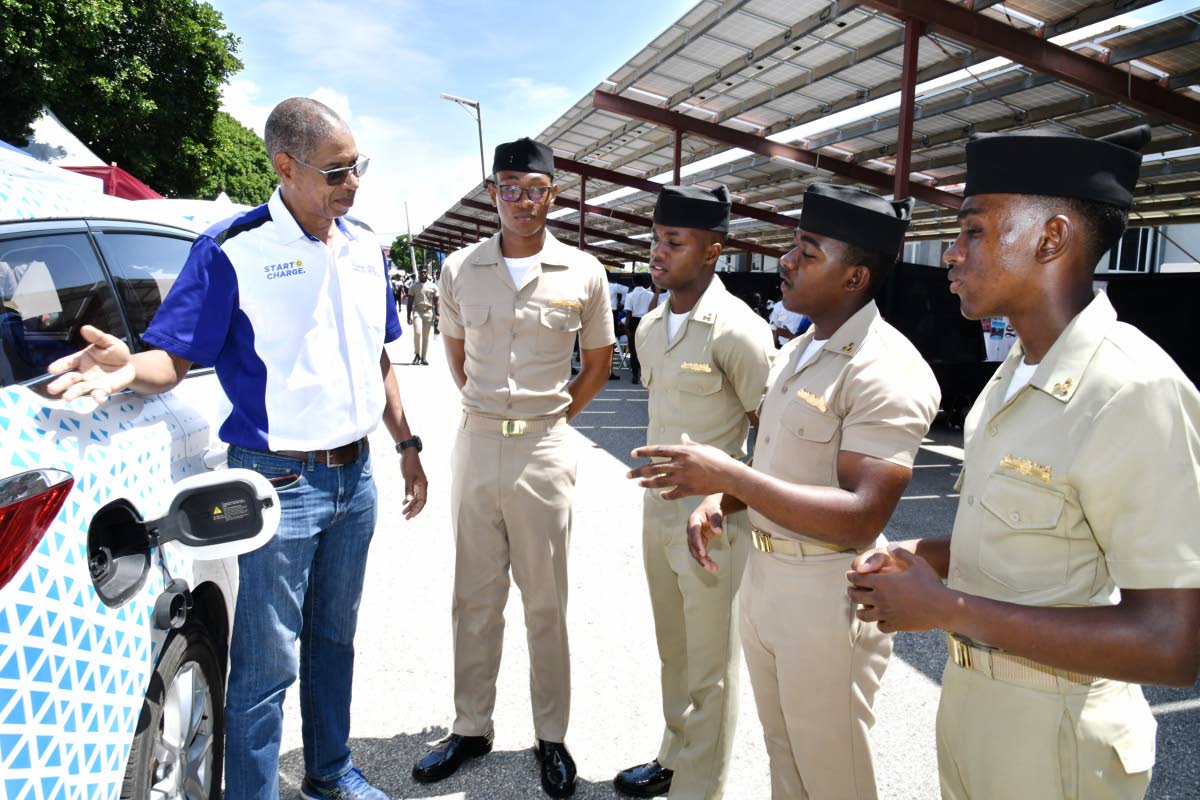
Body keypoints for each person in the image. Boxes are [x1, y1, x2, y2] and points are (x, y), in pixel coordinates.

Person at [44, 97, 427, 800]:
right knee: (265, 663)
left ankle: (329, 772)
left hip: (357, 478)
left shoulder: (367, 246)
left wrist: (407, 443)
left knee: (334, 641)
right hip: (279, 482)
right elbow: (173, 358)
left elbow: (378, 356)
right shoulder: (229, 250)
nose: (353, 184)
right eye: (337, 171)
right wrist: (130, 366)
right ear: (285, 167)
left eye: (358, 167)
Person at [847, 126, 1200, 800]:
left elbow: (1169, 644)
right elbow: (1039, 538)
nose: (949, 254)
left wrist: (944, 606)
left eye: (973, 231)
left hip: (1058, 743)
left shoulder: (1131, 389)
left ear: (1051, 238)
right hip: (978, 711)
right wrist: (926, 555)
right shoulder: (1014, 374)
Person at [629, 183, 939, 799]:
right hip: (769, 584)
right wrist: (725, 501)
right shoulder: (799, 351)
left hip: (828, 592)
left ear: (854, 277)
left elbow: (860, 516)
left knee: (831, 776)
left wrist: (726, 477)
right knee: (786, 764)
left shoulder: (884, 369)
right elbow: (779, 462)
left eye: (807, 250)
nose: (786, 261)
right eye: (792, 246)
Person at [411, 137, 615, 799]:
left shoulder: (584, 272)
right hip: (475, 444)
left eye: (535, 189)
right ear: (492, 192)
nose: (522, 201)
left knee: (545, 601)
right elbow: (456, 353)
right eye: (509, 188)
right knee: (473, 595)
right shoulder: (461, 269)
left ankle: (551, 737)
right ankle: (472, 727)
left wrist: (549, 421)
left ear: (552, 195)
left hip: (543, 448)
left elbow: (598, 363)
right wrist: (488, 411)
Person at [615, 184, 774, 799]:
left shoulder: (738, 331)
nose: (658, 253)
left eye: (674, 243)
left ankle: (698, 789)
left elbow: (779, 434)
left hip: (713, 523)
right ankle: (675, 756)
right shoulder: (652, 328)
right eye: (655, 240)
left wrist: (730, 493)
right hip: (658, 513)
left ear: (713, 250)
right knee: (674, 652)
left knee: (712, 667)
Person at [624, 273, 660, 384]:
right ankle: (646, 374)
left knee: (633, 349)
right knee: (646, 349)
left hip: (634, 322)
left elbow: (628, 313)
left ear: (633, 282)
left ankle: (635, 375)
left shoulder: (630, 295)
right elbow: (654, 310)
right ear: (644, 282)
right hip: (647, 321)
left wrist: (627, 328)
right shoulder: (650, 295)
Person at [407, 266, 438, 365]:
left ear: (427, 273)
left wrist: (437, 314)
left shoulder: (433, 286)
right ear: (418, 273)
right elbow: (409, 302)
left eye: (424, 272)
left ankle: (423, 357)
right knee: (417, 332)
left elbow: (437, 301)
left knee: (425, 336)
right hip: (417, 311)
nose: (423, 274)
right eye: (421, 272)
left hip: (428, 312)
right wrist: (408, 316)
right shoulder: (413, 286)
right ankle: (417, 354)